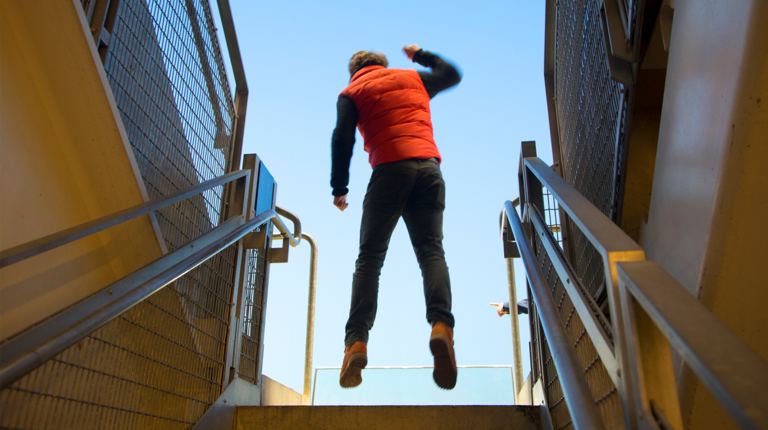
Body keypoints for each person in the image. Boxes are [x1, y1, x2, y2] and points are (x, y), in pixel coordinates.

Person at [330, 45, 462, 390]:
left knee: (370, 260)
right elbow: (452, 75)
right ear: (383, 64)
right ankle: (441, 327)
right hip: (429, 170)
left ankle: (356, 342)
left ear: (354, 71)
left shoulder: (351, 92)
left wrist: (339, 187)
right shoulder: (411, 78)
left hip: (389, 172)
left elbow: (342, 138)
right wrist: (421, 55)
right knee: (431, 251)